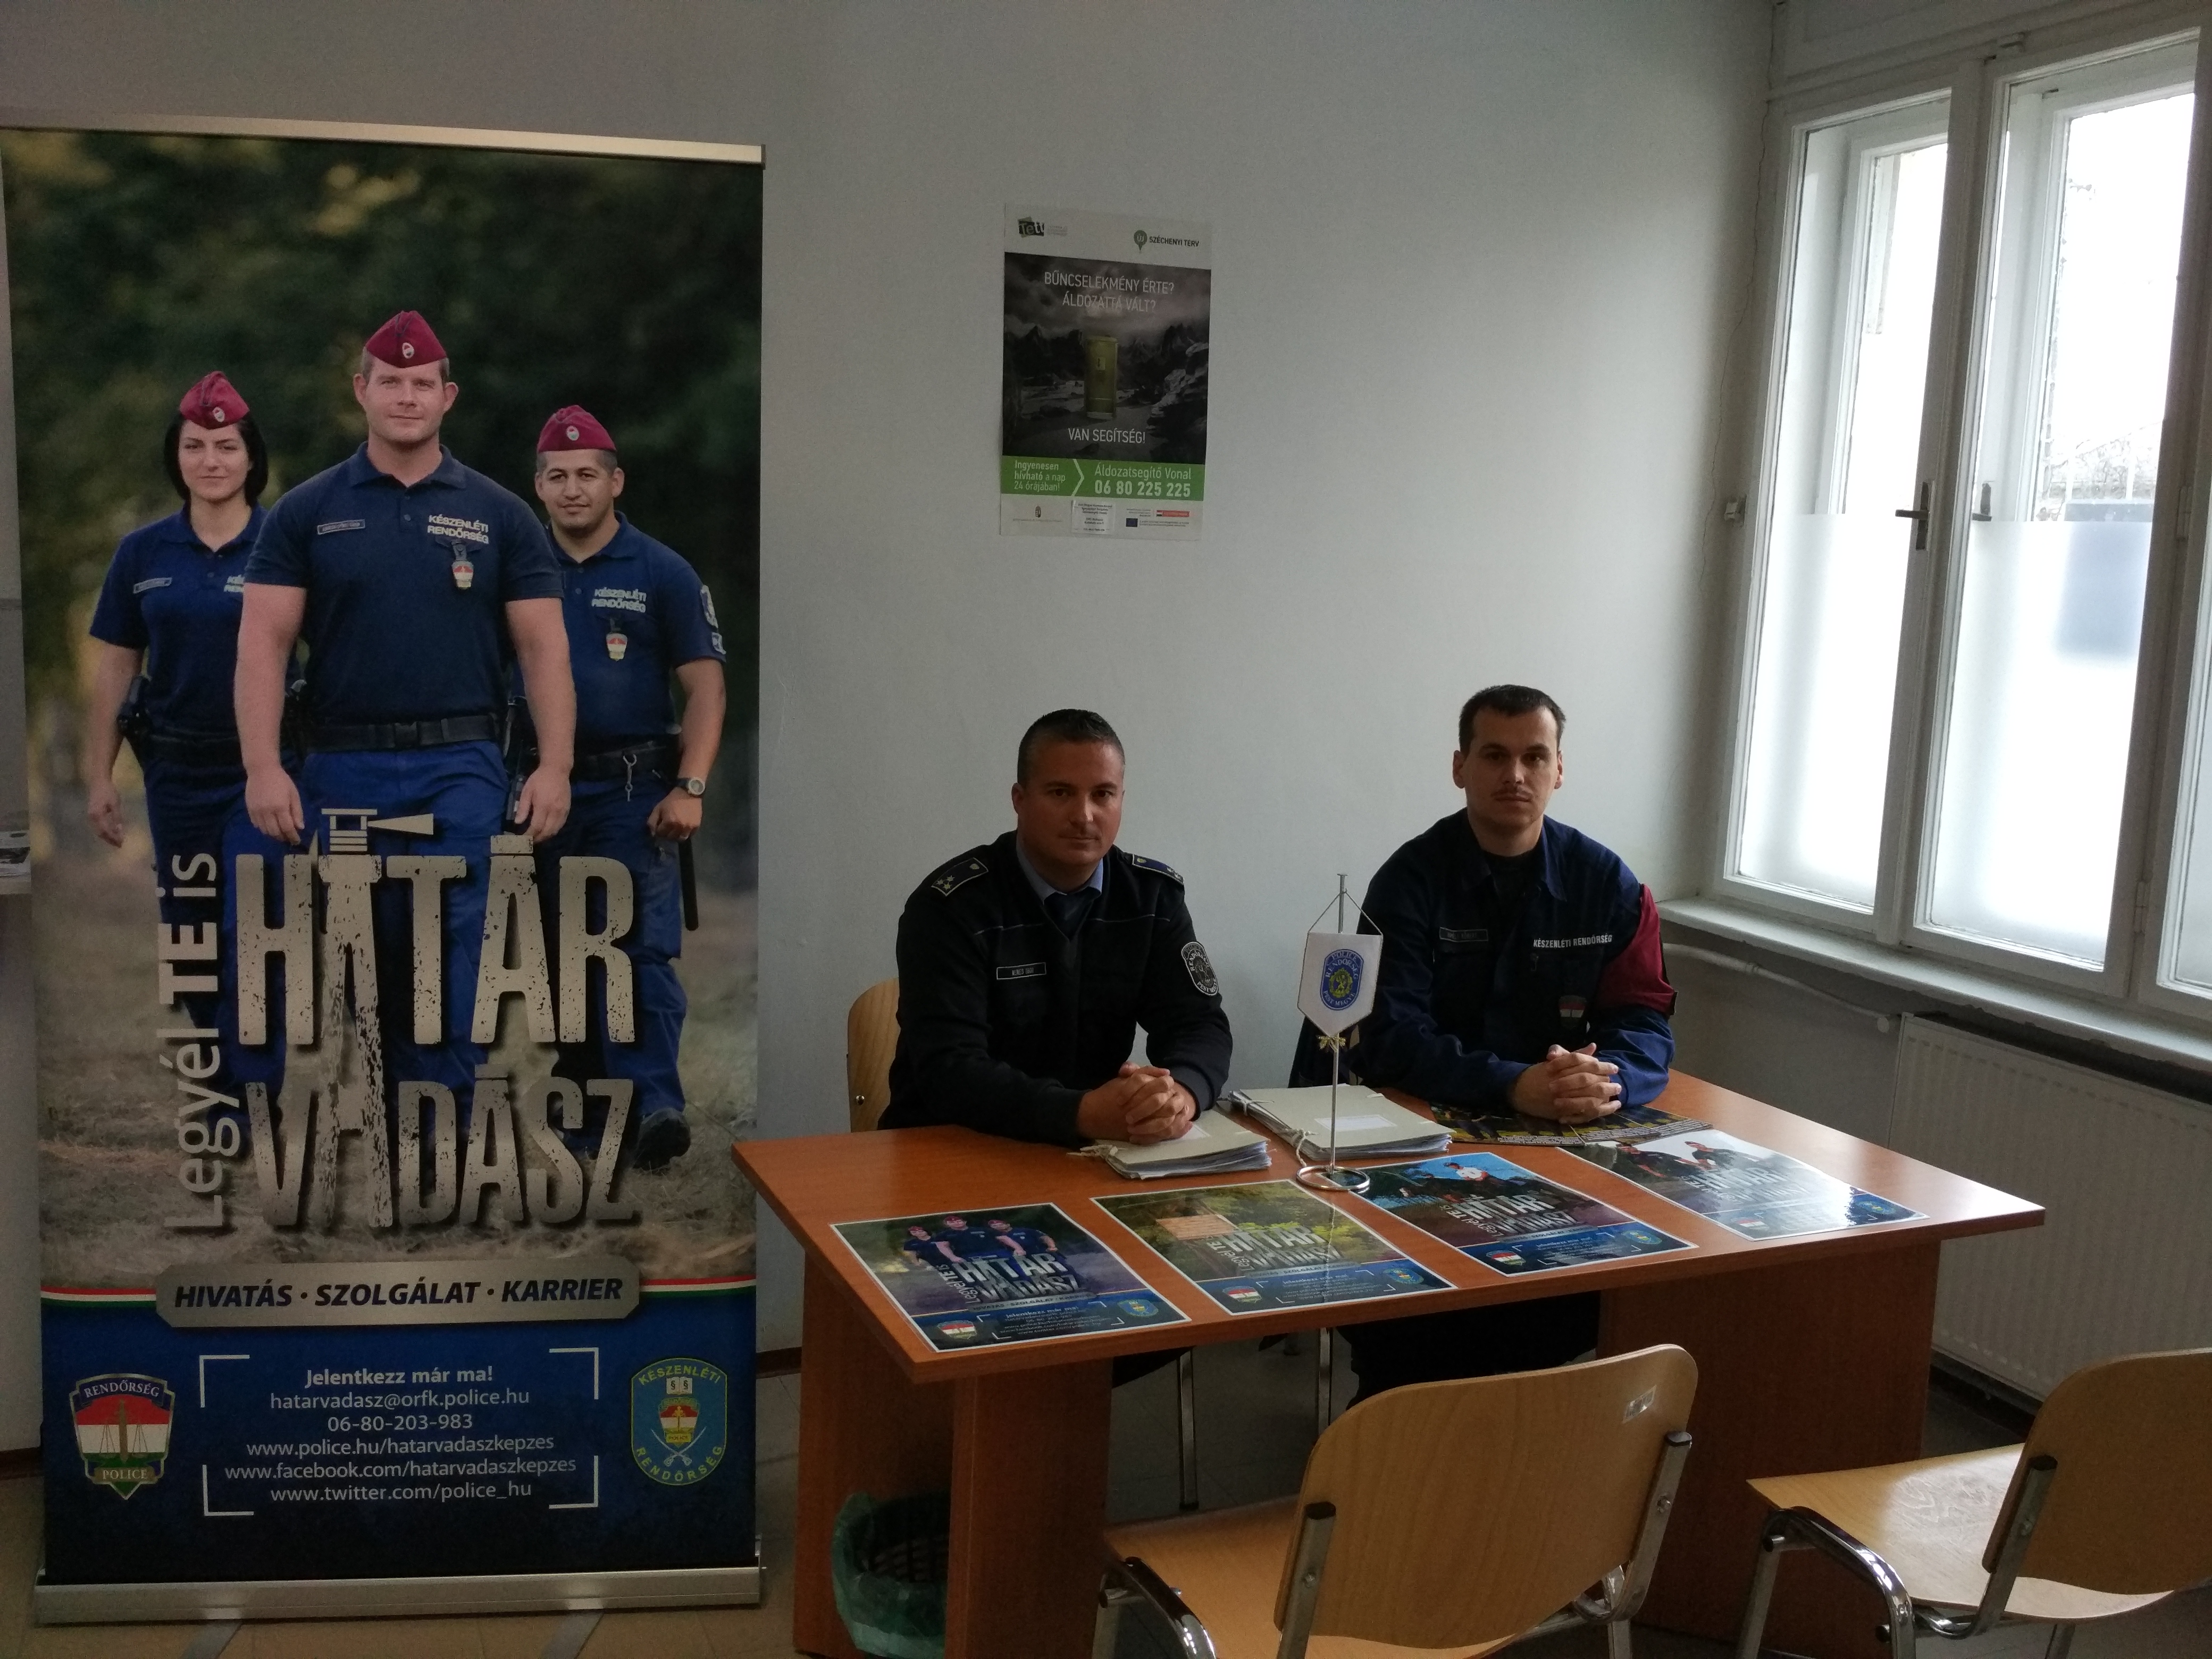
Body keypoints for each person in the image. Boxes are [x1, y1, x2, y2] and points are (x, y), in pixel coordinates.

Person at [238, 310, 575, 1127]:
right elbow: (262, 645)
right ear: (362, 390)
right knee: (371, 949)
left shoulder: (500, 515)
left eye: (423, 383)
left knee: (456, 940)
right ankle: (399, 1104)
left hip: (461, 763)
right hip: (342, 765)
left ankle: (444, 1117)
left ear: (447, 397)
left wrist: (556, 765)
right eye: (391, 381)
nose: (407, 396)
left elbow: (544, 650)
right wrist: (264, 767)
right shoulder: (307, 512)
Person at [1296, 683, 1675, 1400]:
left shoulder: (1609, 883)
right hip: (1425, 1131)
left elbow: (1645, 1017)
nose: (1515, 775)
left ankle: (1534, 1420)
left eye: (1535, 757)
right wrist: (1509, 1083)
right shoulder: (1408, 882)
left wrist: (1607, 1080)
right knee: (1429, 1312)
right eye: (1495, 756)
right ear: (1459, 767)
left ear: (1559, 769)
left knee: (1628, 1272)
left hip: (1561, 1137)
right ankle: (1407, 1429)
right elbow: (1388, 1038)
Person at [83, 372, 291, 1135]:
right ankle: (222, 1079)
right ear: (177, 457)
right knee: (195, 934)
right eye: (196, 446)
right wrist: (99, 776)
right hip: (175, 773)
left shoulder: (284, 545)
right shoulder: (143, 552)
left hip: (265, 772)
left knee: (256, 928)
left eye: (226, 446)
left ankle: (251, 1094)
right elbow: (116, 667)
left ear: (250, 457)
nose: (211, 460)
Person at [882, 708, 1233, 1147]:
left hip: (1095, 1149)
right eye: (1061, 792)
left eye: (1103, 794)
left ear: (1122, 799)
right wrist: (1080, 1113)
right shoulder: (951, 908)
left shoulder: (1152, 898)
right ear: (1020, 799)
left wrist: (1180, 1094)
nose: (1084, 815)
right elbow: (950, 1070)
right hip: (951, 1146)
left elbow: (1199, 1023)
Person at [525, 405, 725, 1172]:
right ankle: (589, 1113)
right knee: (558, 957)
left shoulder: (661, 571)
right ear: (539, 487)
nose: (572, 489)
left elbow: (705, 688)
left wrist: (691, 786)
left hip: (634, 788)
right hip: (536, 787)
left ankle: (656, 1107)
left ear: (616, 482)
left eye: (587, 475)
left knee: (635, 951)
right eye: (557, 476)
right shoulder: (518, 569)